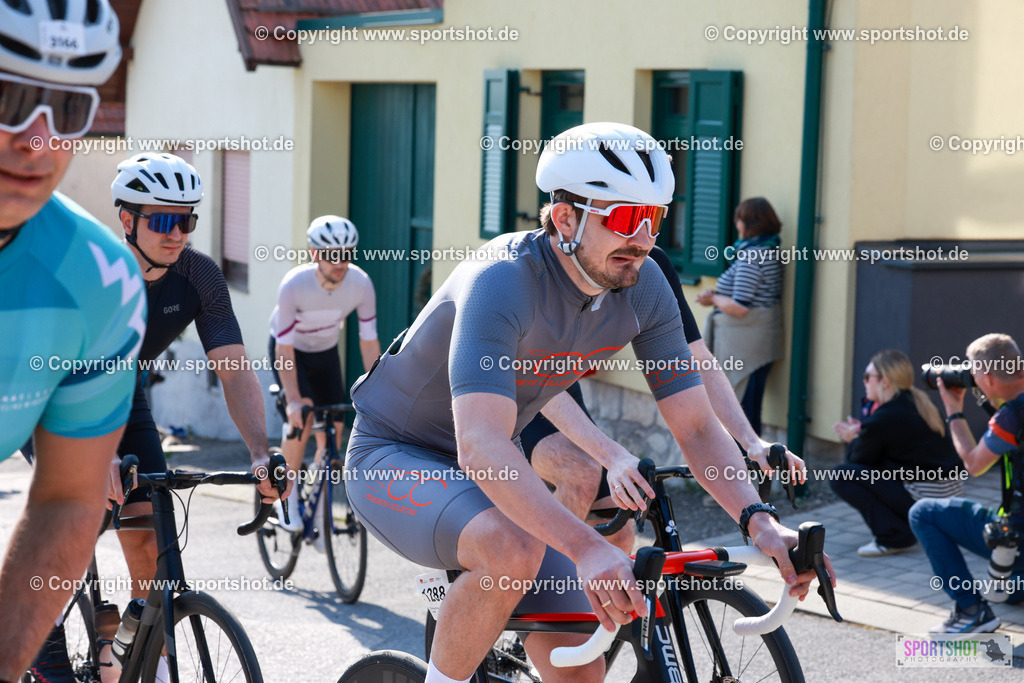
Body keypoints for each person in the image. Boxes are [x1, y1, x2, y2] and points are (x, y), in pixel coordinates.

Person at [345, 122, 831, 683]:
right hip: (396, 456)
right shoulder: (501, 280)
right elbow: (480, 446)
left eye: (655, 218)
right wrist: (586, 548)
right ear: (565, 218)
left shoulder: (642, 285)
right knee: (513, 549)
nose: (644, 238)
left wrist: (763, 525)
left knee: (581, 656)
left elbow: (696, 428)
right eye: (625, 218)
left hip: (486, 468)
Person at [29, 152, 291, 682]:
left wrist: (261, 454)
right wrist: (94, 456)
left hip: (126, 396)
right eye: (164, 220)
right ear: (127, 220)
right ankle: (42, 632)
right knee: (78, 516)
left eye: (188, 219)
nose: (178, 234)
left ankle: (120, 655)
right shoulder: (92, 271)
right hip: (55, 399)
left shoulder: (199, 276)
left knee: (150, 541)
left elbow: (236, 371)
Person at [0, 2, 146, 679]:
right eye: (9, 97)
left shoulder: (101, 282)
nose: (37, 138)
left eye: (67, 107)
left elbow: (67, 499)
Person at [522, 244, 804, 553]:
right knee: (581, 471)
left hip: (563, 381)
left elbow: (696, 358)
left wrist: (751, 442)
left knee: (618, 534)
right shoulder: (544, 266)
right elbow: (537, 378)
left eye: (654, 217)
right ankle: (538, 587)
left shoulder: (651, 263)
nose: (642, 234)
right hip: (509, 386)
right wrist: (613, 456)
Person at [269, 215, 380, 538]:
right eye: (332, 255)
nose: (340, 262)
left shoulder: (361, 284)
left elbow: (369, 341)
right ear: (315, 254)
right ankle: (284, 498)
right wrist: (292, 400)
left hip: (326, 353)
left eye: (346, 254)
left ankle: (319, 502)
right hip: (291, 353)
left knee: (334, 432)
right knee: (301, 418)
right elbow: (284, 349)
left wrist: (377, 388)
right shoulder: (294, 284)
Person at [909, 333, 1024, 634]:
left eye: (972, 372)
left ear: (986, 377)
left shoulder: (1013, 418)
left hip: (1020, 537)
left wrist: (954, 409)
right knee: (1009, 588)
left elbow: (974, 464)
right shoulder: (1011, 412)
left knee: (923, 512)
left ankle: (972, 612)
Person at [830, 350, 962, 557]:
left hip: (928, 499)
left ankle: (894, 536)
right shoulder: (918, 401)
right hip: (950, 495)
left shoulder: (884, 417)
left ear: (885, 382)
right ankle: (910, 526)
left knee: (840, 476)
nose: (864, 382)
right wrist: (863, 434)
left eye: (868, 377)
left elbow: (856, 462)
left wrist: (854, 439)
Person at [697, 197, 784, 435]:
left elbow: (740, 306)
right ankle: (750, 468)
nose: (737, 225)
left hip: (745, 345)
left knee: (740, 415)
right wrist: (715, 295)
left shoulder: (752, 256)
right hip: (755, 343)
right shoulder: (768, 249)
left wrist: (713, 299)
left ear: (749, 223)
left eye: (739, 220)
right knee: (748, 411)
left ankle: (744, 468)